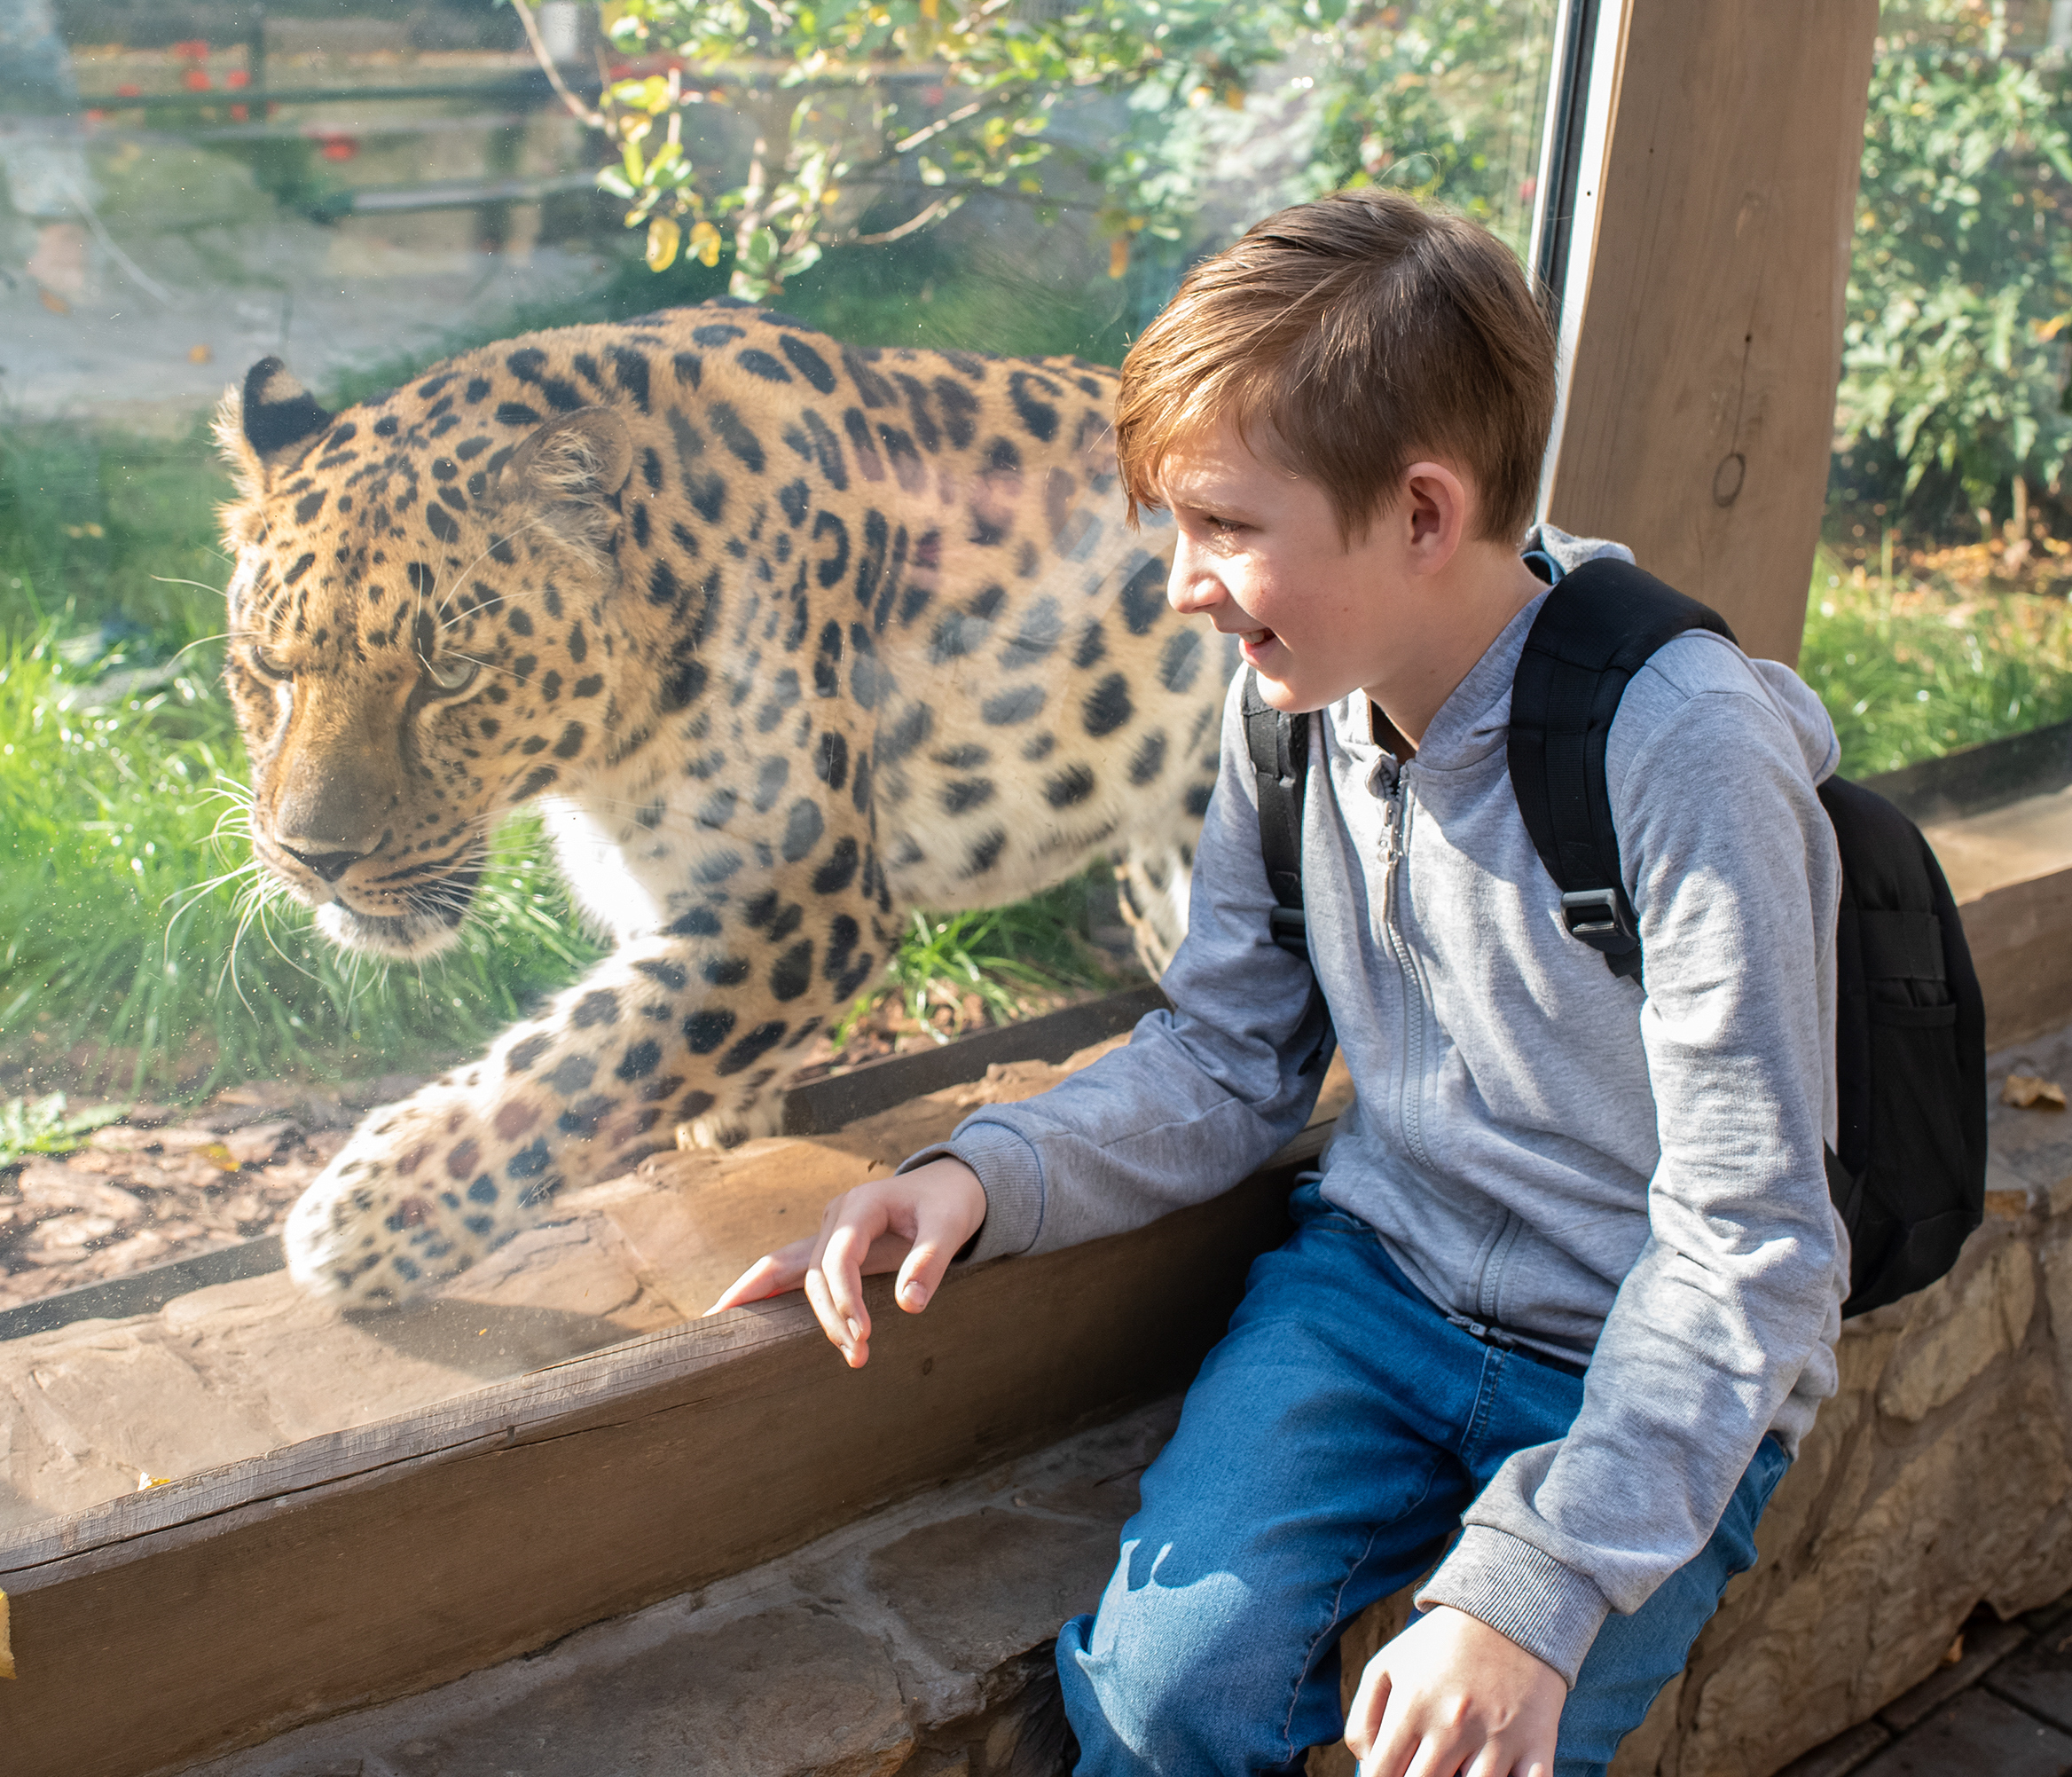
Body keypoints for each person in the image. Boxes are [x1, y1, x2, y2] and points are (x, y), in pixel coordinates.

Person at [713, 188, 1848, 1777]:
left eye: (1229, 529)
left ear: (1426, 515)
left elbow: (1755, 1244)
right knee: (1162, 1700)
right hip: (1378, 1289)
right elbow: (1229, 1057)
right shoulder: (1296, 704)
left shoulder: (1688, 756)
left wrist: (1533, 1592)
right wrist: (983, 1174)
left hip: (1641, 1363)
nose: (1181, 583)